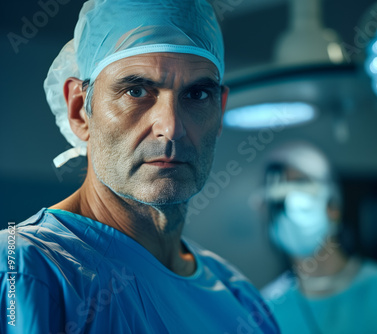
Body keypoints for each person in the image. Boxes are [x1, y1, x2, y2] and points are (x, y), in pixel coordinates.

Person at [0, 1, 280, 333]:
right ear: (78, 109)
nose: (171, 127)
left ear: (219, 110)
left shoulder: (242, 301)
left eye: (197, 95)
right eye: (137, 91)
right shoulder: (24, 271)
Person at [260, 142, 377, 334]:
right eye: (279, 203)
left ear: (333, 207)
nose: (290, 210)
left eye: (300, 194)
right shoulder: (266, 308)